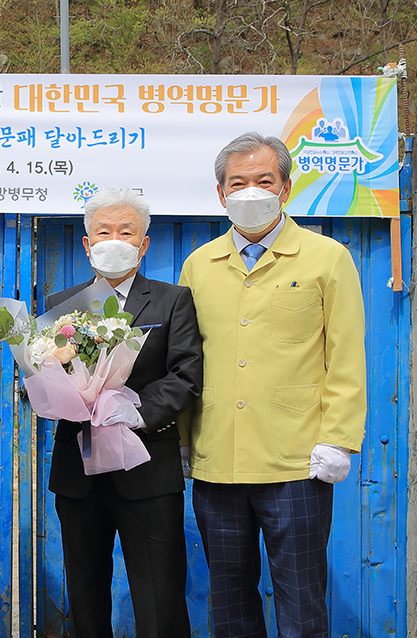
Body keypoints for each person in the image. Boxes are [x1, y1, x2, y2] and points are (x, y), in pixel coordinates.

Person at [178, 131, 367, 638]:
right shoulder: (199, 264)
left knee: (301, 594)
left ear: (285, 187)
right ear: (221, 194)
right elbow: (187, 360)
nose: (250, 191)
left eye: (264, 180)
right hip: (218, 458)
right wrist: (182, 440)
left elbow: (346, 356)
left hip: (296, 460)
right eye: (237, 182)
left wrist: (339, 439)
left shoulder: (327, 258)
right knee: (230, 596)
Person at [45, 187, 202, 638]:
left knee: (160, 597)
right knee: (86, 595)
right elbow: (45, 367)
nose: (115, 240)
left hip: (147, 470)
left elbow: (186, 374)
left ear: (144, 242)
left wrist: (136, 412)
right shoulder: (62, 303)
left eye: (126, 231)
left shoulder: (172, 300)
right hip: (79, 475)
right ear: (87, 242)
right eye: (104, 232)